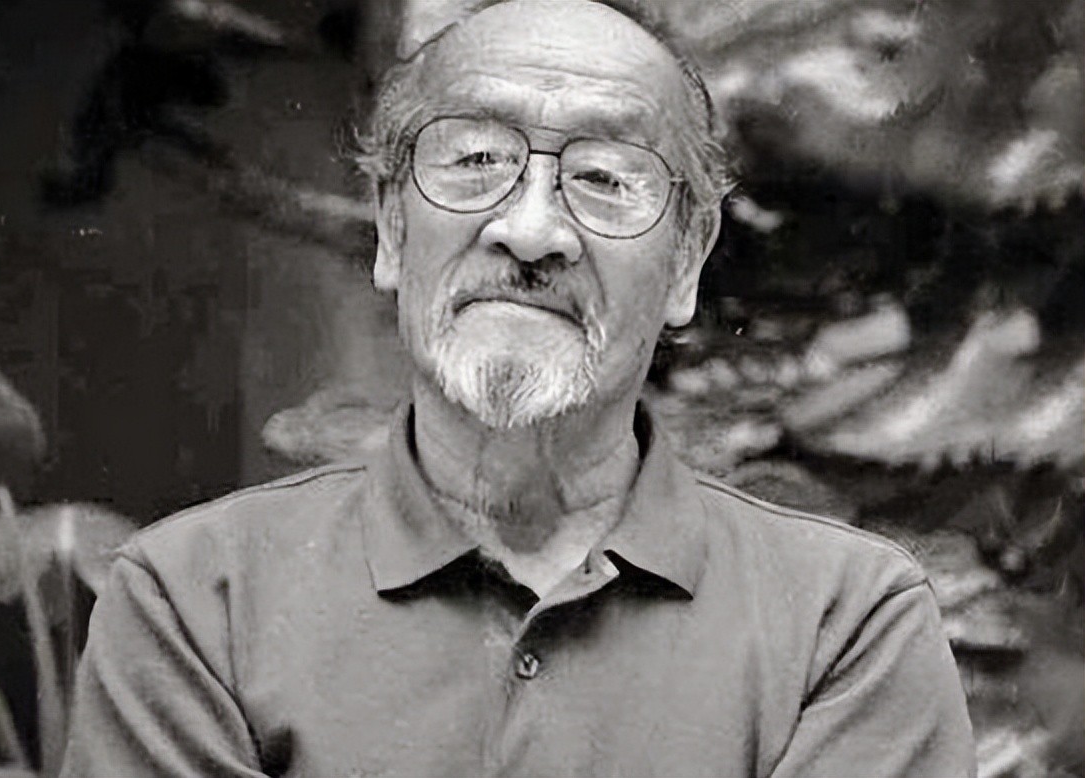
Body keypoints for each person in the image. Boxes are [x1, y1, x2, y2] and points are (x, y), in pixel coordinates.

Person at [61, 1, 976, 775]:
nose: (532, 232)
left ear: (687, 262)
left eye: (605, 179)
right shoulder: (195, 601)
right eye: (475, 162)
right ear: (391, 229)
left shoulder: (846, 619)